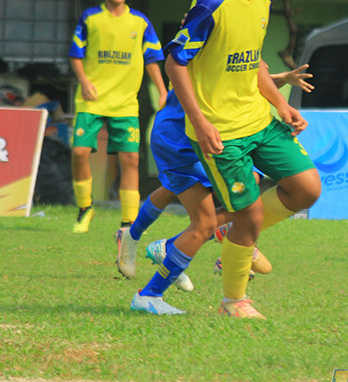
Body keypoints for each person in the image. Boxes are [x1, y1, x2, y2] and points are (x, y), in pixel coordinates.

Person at [139, 0, 321, 318]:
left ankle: (230, 231)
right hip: (223, 133)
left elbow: (250, 61)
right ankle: (233, 301)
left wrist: (281, 103)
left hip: (259, 120)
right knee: (251, 214)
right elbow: (175, 62)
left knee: (307, 188)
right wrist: (200, 122)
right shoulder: (212, 2)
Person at [117, 64, 314, 309]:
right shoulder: (199, 40)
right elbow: (223, 80)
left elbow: (245, 79)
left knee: (250, 181)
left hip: (218, 133)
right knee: (194, 211)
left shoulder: (236, 43)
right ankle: (139, 243)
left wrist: (280, 79)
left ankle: (217, 237)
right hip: (180, 138)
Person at [68, 0, 168, 233]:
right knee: (79, 153)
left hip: (125, 103)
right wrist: (85, 81)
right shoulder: (91, 18)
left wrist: (162, 90)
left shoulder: (140, 22)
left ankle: (128, 221)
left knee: (131, 160)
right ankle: (85, 209)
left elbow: (152, 59)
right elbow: (76, 55)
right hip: (92, 99)